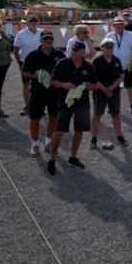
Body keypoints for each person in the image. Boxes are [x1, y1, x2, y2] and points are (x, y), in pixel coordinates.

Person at [47, 41, 97, 175]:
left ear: (82, 52)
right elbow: (52, 81)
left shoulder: (88, 66)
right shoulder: (62, 64)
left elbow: (94, 85)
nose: (74, 52)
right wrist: (63, 84)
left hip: (82, 103)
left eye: (77, 51)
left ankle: (73, 157)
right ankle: (52, 160)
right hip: (64, 102)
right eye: (73, 50)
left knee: (79, 130)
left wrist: (84, 87)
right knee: (59, 130)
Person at [21, 30, 63, 155]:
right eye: (45, 39)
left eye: (50, 38)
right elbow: (24, 72)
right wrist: (37, 75)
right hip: (38, 91)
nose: (48, 41)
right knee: (35, 119)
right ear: (41, 41)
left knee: (54, 118)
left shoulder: (60, 54)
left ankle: (48, 142)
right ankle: (34, 144)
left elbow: (66, 70)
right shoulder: (33, 55)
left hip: (55, 91)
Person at [89, 39, 126, 150]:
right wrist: (105, 89)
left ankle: (119, 136)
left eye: (111, 47)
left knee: (116, 115)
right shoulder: (96, 61)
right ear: (102, 48)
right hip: (99, 92)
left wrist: (111, 88)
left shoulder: (116, 60)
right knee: (96, 116)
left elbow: (121, 76)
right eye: (106, 47)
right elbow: (94, 78)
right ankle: (94, 139)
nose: (109, 49)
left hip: (114, 92)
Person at [102, 16, 132, 114]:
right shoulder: (109, 36)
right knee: (112, 86)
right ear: (113, 25)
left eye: (121, 24)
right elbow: (104, 51)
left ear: (124, 25)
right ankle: (111, 105)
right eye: (117, 24)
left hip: (128, 64)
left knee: (130, 85)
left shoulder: (130, 34)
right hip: (113, 66)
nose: (119, 26)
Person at [13, 14, 42, 116]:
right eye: (31, 20)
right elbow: (16, 50)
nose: (33, 22)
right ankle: (27, 106)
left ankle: (37, 105)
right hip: (25, 62)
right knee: (26, 84)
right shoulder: (21, 34)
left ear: (38, 22)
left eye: (35, 20)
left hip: (40, 62)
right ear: (27, 22)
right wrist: (20, 62)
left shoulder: (42, 32)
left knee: (39, 85)